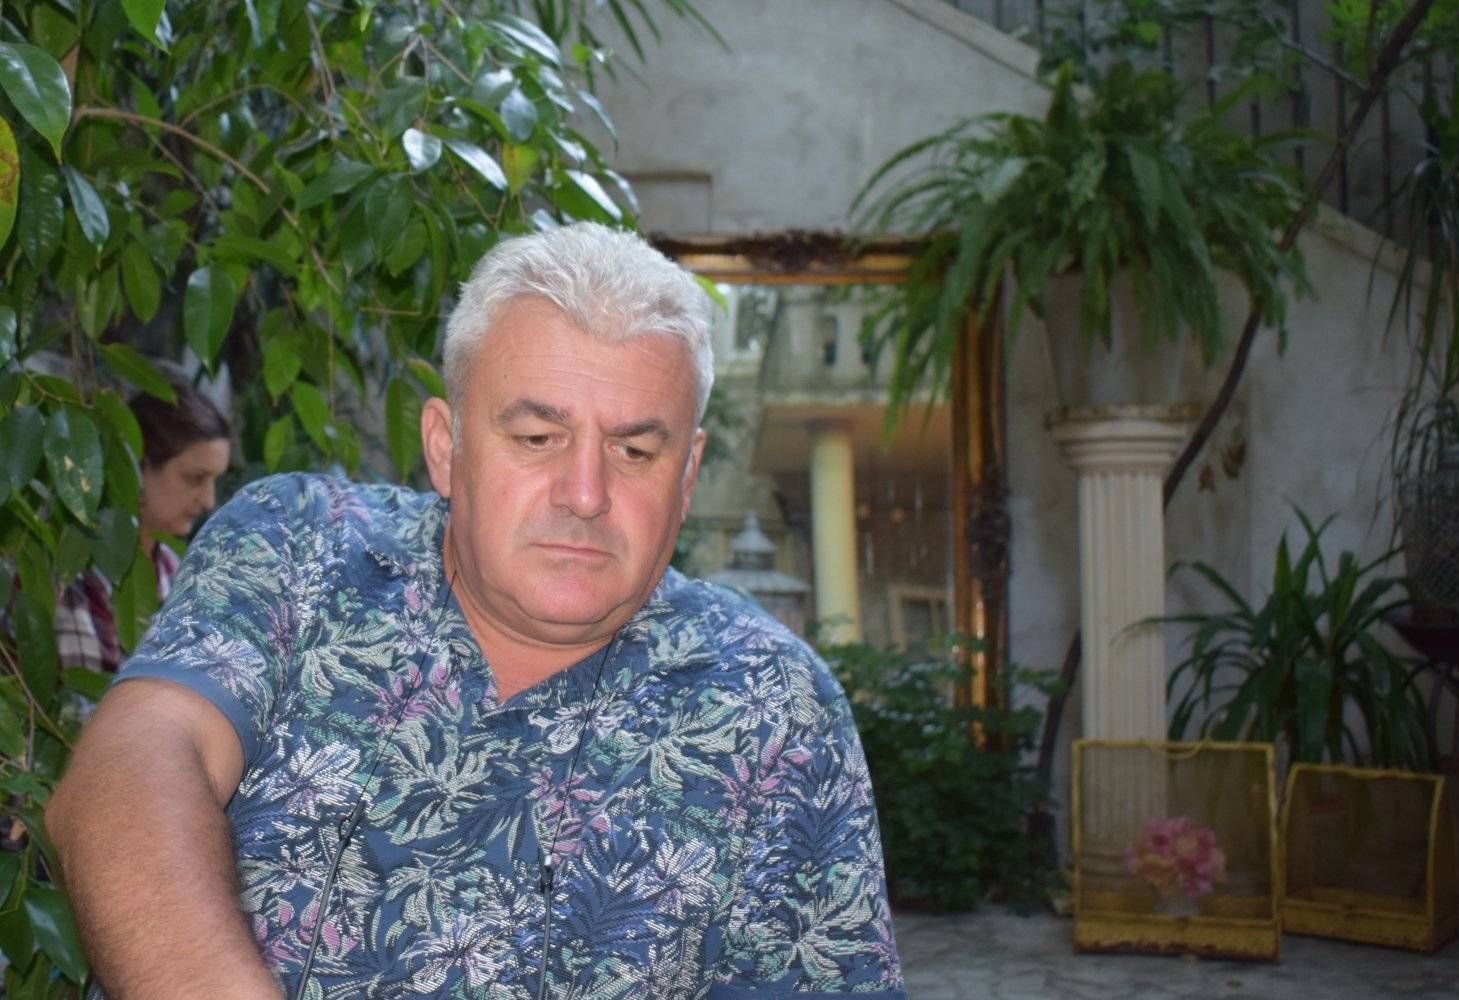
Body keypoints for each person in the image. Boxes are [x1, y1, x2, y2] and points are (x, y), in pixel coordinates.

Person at [47, 223, 908, 999]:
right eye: (536, 438)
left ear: (687, 477)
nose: (584, 493)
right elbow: (129, 771)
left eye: (635, 450)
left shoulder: (773, 705)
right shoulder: (300, 545)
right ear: (445, 446)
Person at [53, 380, 231, 674]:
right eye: (194, 478)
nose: (209, 500)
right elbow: (86, 698)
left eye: (215, 481)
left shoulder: (175, 568)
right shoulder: (75, 571)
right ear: (138, 465)